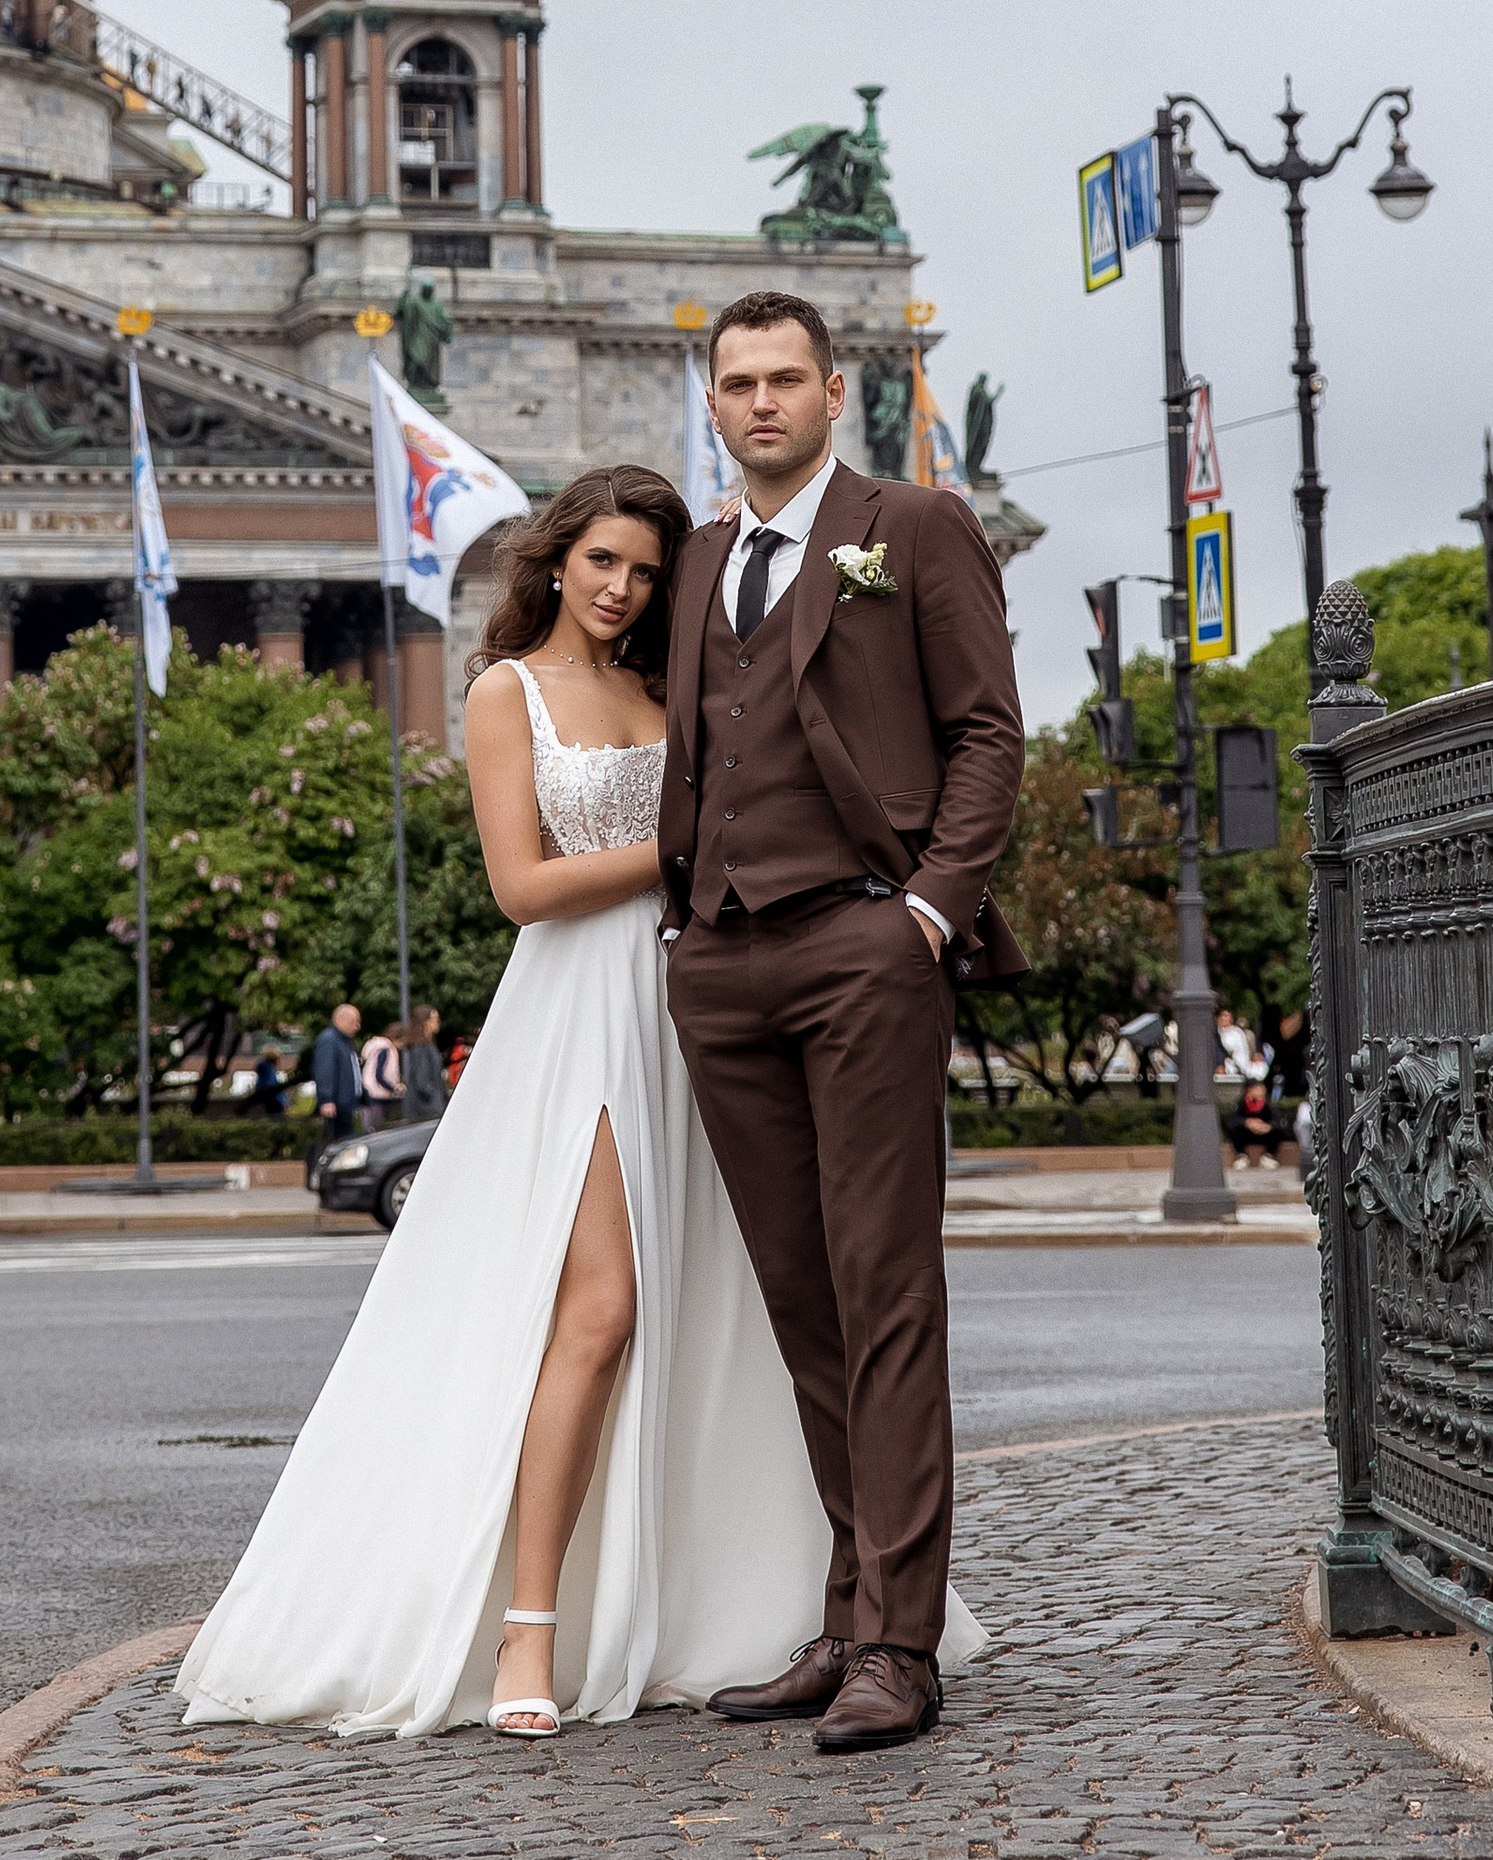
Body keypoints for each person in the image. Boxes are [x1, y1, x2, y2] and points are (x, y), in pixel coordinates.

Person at [177, 462, 962, 1742]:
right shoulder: (505, 690)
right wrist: (694, 847)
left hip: (705, 996)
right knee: (598, 1313)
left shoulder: (676, 684)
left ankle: (751, 1605)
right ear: (552, 560)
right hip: (583, 1010)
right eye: (602, 561)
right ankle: (527, 1630)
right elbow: (521, 887)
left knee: (736, 1308)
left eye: (648, 571)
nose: (622, 588)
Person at [658, 289, 1024, 1758]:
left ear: (833, 391)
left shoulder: (912, 526)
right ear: (711, 403)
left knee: (886, 1298)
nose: (761, 401)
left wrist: (928, 911)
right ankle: (844, 1608)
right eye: (737, 382)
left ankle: (899, 1645)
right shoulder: (699, 558)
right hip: (722, 962)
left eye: (785, 379)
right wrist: (683, 927)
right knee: (804, 1310)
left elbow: (988, 730)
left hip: (864, 943)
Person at [310, 1003, 363, 1162]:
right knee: (338, 1142)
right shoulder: (329, 1040)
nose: (357, 1027)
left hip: (346, 1102)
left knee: (347, 1141)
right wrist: (327, 1099)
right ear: (341, 1020)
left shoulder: (345, 1042)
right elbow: (325, 1070)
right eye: (354, 1021)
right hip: (337, 1104)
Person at [399, 1008, 447, 1124]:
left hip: (429, 1105)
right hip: (427, 1108)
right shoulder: (420, 1048)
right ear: (424, 1022)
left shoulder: (427, 1045)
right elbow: (422, 1082)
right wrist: (437, 1100)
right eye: (435, 1019)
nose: (438, 1022)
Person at [358, 1022, 403, 1129]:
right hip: (376, 1093)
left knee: (370, 1124)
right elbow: (379, 1075)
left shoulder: (378, 1048)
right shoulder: (386, 1049)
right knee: (375, 1126)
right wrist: (394, 1088)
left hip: (369, 1091)